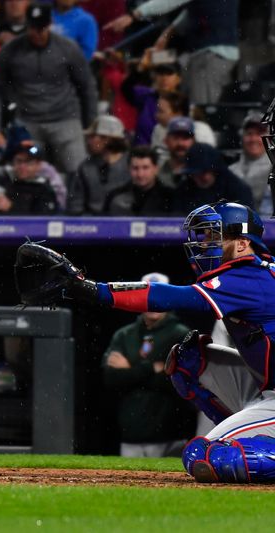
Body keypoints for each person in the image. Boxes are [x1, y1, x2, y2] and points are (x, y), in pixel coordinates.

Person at [17, 200, 275, 483]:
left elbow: (172, 298)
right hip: (268, 389)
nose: (205, 244)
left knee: (205, 456)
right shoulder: (258, 272)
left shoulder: (250, 276)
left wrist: (91, 290)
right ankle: (250, 428)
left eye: (215, 236)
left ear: (241, 244)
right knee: (189, 360)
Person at [0, 3, 96, 175]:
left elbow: (87, 86)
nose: (37, 33)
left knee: (79, 171)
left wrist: (91, 125)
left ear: (50, 24)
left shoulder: (68, 48)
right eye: (33, 28)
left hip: (64, 120)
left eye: (42, 28)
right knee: (24, 173)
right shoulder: (11, 50)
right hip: (28, 123)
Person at [102, 272, 192, 457]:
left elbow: (181, 383)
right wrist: (152, 369)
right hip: (130, 433)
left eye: (160, 296)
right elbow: (110, 379)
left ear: (169, 298)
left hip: (171, 434)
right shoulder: (124, 335)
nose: (154, 303)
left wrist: (130, 371)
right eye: (148, 296)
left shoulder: (181, 334)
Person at [104, 0, 239, 105]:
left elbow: (170, 1)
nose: (163, 78)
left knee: (202, 113)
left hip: (210, 55)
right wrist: (169, 32)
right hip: (200, 54)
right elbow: (194, 11)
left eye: (166, 75)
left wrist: (135, 14)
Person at [67, 114, 131, 215]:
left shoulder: (133, 163)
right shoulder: (85, 167)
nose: (89, 141)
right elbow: (75, 205)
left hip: (128, 223)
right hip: (92, 224)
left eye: (93, 137)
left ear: (107, 139)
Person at [172, 143, 254, 215]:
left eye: (207, 172)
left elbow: (245, 224)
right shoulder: (184, 190)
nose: (204, 177)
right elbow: (176, 224)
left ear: (216, 170)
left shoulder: (238, 190)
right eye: (197, 173)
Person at [103, 145, 173, 216]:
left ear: (156, 169)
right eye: (135, 168)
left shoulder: (170, 198)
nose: (140, 174)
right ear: (129, 169)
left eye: (145, 168)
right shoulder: (114, 197)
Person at [229, 111, 269, 212]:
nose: (253, 139)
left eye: (259, 134)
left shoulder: (273, 169)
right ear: (242, 137)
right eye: (249, 134)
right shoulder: (231, 171)